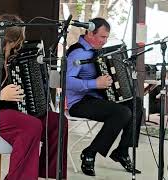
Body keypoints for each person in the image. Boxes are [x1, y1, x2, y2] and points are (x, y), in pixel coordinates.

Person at [0, 14, 67, 180]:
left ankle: (48, 174)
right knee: (31, 125)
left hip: (7, 110)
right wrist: (0, 95)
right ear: (16, 39)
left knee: (58, 122)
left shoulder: (13, 57)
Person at [66, 17, 143, 176]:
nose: (105, 41)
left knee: (136, 103)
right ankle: (90, 153)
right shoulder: (77, 52)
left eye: (107, 37)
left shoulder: (99, 52)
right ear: (90, 33)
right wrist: (94, 84)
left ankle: (122, 151)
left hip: (98, 100)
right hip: (79, 103)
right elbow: (66, 82)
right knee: (122, 112)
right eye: (102, 37)